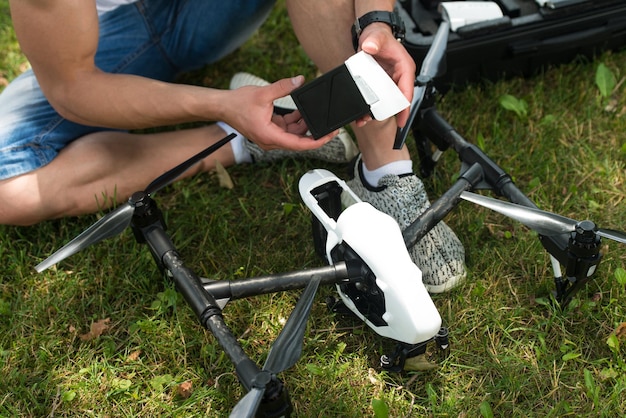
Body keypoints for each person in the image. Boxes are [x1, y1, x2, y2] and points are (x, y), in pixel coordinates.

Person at [0, 0, 465, 292]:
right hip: (109, 31)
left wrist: (377, 20)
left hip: (213, 13)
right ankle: (244, 139)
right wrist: (223, 106)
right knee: (9, 189)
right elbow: (74, 86)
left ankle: (387, 173)